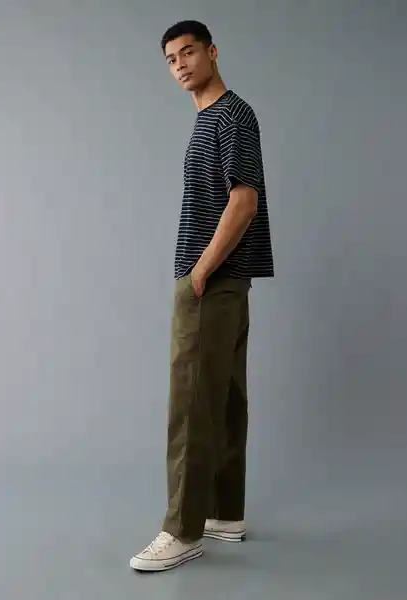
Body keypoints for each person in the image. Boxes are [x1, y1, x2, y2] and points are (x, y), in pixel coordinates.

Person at [130, 20, 274, 572]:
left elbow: (244, 200)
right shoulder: (211, 118)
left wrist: (200, 271)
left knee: (191, 405)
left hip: (211, 280)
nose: (180, 65)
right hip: (226, 279)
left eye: (188, 52)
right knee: (226, 397)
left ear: (212, 52)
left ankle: (181, 530)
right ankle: (223, 512)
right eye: (171, 59)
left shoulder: (230, 114)